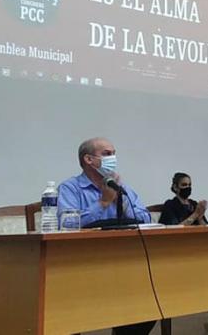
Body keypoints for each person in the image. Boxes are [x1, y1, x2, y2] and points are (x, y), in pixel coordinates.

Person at [57, 137, 154, 335]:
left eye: (114, 153)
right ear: (88, 160)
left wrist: (121, 201)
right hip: (82, 264)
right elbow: (66, 224)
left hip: (122, 263)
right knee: (66, 312)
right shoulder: (70, 188)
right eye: (107, 154)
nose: (113, 158)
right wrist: (102, 203)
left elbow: (145, 217)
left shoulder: (121, 187)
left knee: (148, 303)